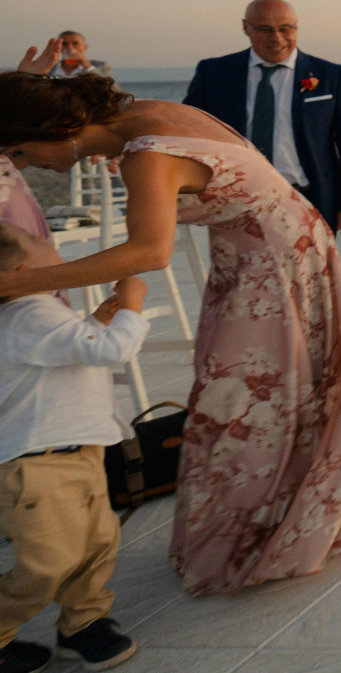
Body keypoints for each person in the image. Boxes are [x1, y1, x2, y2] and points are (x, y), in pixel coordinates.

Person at [0, 70, 341, 597]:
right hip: (281, 245)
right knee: (276, 388)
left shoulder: (145, 154)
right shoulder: (137, 113)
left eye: (22, 154)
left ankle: (261, 527)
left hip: (271, 263)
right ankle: (286, 503)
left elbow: (149, 253)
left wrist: (21, 283)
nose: (29, 167)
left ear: (52, 133)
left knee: (245, 399)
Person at [0, 223, 146, 673]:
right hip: (36, 466)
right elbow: (111, 351)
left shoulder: (38, 312)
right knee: (49, 561)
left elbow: (63, 356)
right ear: (25, 270)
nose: (52, 242)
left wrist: (95, 321)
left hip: (77, 453)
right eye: (41, 241)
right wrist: (132, 307)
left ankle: (83, 625)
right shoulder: (29, 315)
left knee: (96, 542)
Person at [182, 0, 341, 234]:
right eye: (265, 29)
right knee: (241, 270)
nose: (277, 38)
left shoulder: (332, 75)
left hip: (309, 197)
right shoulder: (215, 73)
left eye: (285, 29)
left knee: (312, 271)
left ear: (296, 27)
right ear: (245, 27)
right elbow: (187, 129)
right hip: (236, 199)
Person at [45, 33, 110, 82]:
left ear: (85, 47)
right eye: (64, 44)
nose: (70, 47)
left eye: (75, 43)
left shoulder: (101, 66)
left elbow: (113, 89)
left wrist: (87, 67)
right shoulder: (50, 67)